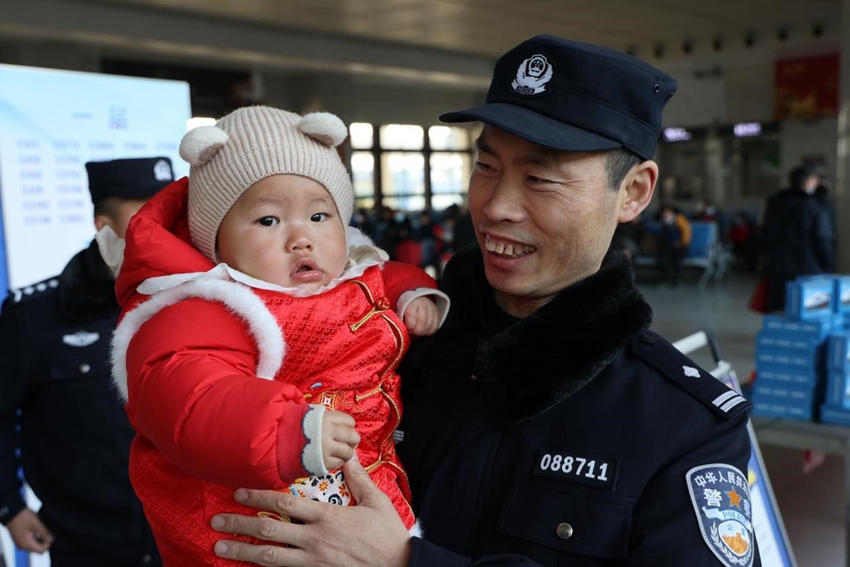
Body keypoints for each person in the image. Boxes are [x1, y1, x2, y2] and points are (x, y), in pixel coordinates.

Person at [209, 34, 759, 567]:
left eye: (541, 178)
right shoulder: (386, 342)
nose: (496, 206)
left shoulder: (683, 426)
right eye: (486, 167)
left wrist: (407, 562)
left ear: (634, 192)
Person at [107, 106, 449, 565]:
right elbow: (188, 398)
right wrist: (285, 431)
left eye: (320, 216)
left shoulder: (351, 274)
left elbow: (384, 274)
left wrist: (412, 293)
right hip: (248, 521)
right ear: (217, 242)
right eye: (269, 221)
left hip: (364, 509)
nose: (301, 238)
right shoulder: (204, 306)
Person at [0, 157, 172, 566]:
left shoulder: (196, 300)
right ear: (104, 225)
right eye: (144, 214)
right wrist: (9, 506)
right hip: (87, 540)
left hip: (183, 534)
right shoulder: (34, 316)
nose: (161, 227)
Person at [759, 164, 835, 312]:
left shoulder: (775, 202)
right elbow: (823, 239)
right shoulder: (814, 207)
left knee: (780, 309)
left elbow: (766, 235)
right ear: (807, 182)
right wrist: (828, 264)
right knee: (807, 311)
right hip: (808, 269)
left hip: (778, 268)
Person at [656, 205, 692, 286]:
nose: (665, 215)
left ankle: (676, 280)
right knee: (663, 259)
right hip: (668, 247)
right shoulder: (664, 223)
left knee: (677, 261)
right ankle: (666, 278)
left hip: (680, 247)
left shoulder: (681, 220)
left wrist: (680, 243)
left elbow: (686, 235)